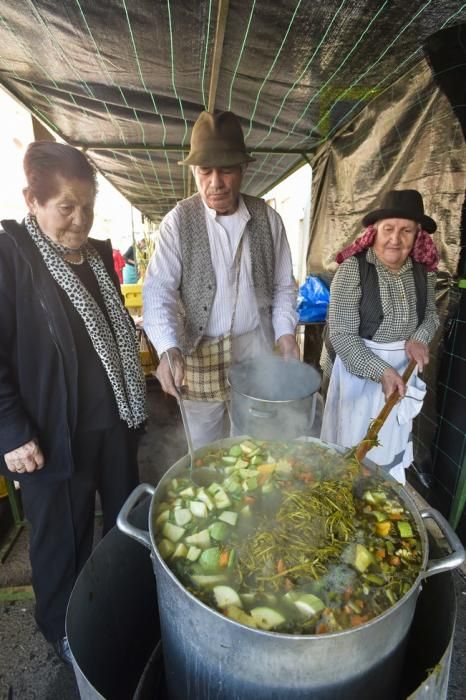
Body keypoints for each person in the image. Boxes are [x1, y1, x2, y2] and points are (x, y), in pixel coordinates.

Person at [0, 141, 147, 664]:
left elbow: (106, 335)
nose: (79, 219)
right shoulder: (11, 256)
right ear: (32, 200)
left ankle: (116, 603)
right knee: (62, 536)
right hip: (51, 432)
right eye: (66, 207)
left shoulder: (99, 257)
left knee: (124, 522)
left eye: (87, 206)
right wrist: (10, 430)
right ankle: (64, 630)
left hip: (114, 422)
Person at [143, 110, 299, 448]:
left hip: (255, 348)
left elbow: (284, 286)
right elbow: (159, 292)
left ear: (244, 169)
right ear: (195, 172)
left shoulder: (268, 219)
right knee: (205, 446)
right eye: (205, 171)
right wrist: (168, 348)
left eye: (226, 170)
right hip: (199, 353)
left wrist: (286, 334)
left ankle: (250, 499)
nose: (216, 182)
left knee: (252, 441)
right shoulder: (178, 223)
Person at [320, 189, 440, 483]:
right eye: (388, 229)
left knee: (388, 442)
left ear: (417, 235)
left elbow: (431, 316)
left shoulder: (422, 272)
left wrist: (419, 337)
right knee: (353, 444)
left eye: (406, 231)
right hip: (358, 368)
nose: (395, 239)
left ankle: (381, 492)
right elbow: (342, 335)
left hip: (403, 367)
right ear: (374, 231)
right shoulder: (353, 270)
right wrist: (381, 371)